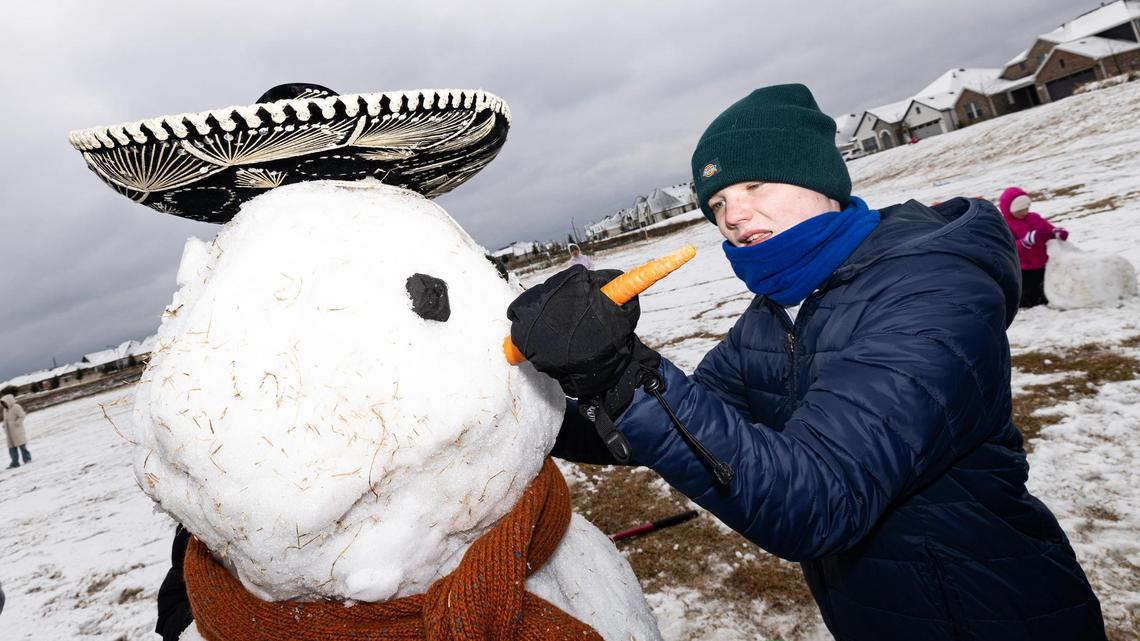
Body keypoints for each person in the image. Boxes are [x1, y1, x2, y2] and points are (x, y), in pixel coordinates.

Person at [508, 84, 1105, 640]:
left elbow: (819, 499)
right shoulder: (779, 312)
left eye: (755, 187)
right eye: (716, 202)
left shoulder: (930, 292)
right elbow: (666, 427)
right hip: (880, 615)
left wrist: (622, 371)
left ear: (821, 181)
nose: (733, 216)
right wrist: (531, 406)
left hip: (993, 614)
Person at [999, 186, 1069, 308]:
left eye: (1026, 208)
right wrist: (1027, 241)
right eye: (1020, 210)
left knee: (1053, 293)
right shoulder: (1005, 226)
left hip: (1046, 264)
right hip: (1026, 270)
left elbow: (1049, 229)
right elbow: (1008, 249)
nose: (1024, 212)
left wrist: (1058, 232)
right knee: (1032, 301)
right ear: (1009, 210)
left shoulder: (1034, 217)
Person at [1, 394, 30, 469]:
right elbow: (6, 419)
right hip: (9, 432)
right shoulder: (5, 410)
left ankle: (27, 459)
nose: (3, 404)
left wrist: (17, 423)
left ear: (9, 401)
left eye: (4, 402)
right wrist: (4, 424)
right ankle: (15, 463)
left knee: (22, 446)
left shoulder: (16, 407)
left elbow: (22, 415)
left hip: (17, 431)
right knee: (12, 449)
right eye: (2, 403)